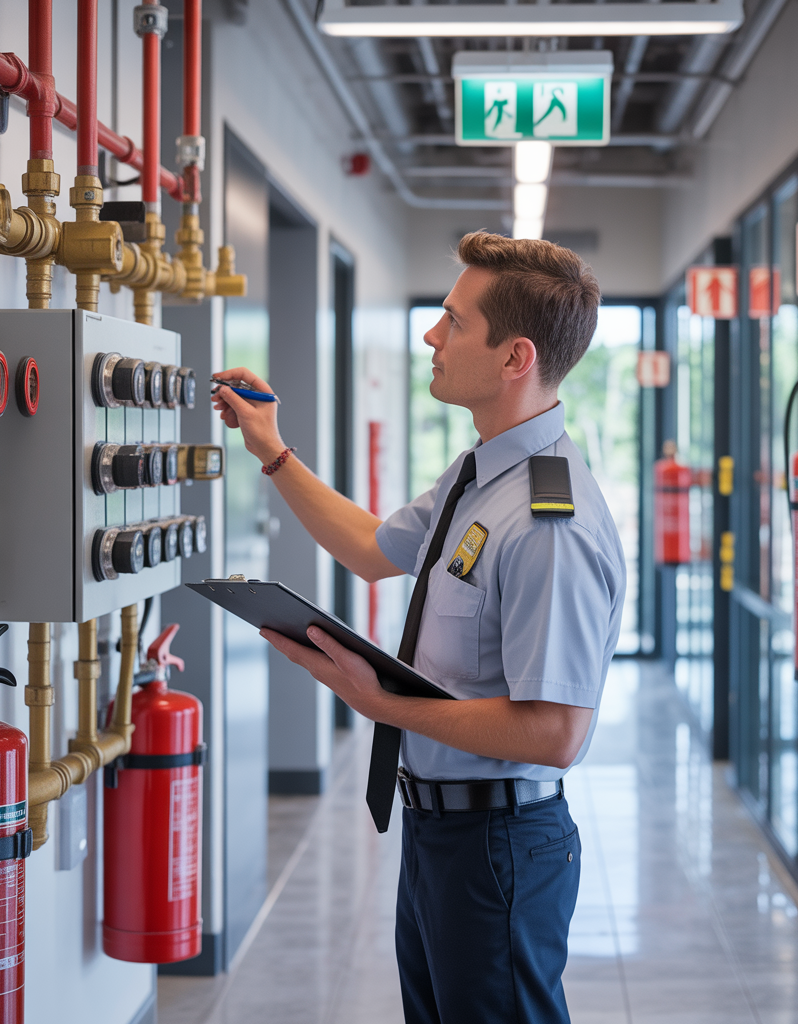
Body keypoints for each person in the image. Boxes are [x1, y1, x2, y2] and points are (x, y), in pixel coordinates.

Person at [212, 231, 625, 1024]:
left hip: (498, 845)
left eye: (453, 322)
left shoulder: (550, 522)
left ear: (516, 358)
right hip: (441, 831)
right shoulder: (480, 473)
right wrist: (270, 451)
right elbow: (372, 551)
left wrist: (380, 704)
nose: (432, 337)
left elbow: (556, 733)